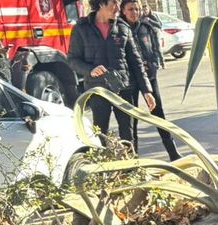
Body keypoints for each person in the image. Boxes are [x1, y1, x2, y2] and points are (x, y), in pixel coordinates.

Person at [68, 0, 156, 150]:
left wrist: (147, 91)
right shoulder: (82, 28)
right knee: (100, 134)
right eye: (114, 3)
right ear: (101, 4)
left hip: (123, 89)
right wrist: (90, 70)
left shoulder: (123, 28)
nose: (118, 8)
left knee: (128, 135)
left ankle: (131, 164)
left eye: (119, 3)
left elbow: (136, 62)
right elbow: (72, 60)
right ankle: (104, 163)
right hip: (97, 90)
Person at [122, 0, 180, 159]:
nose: (134, 12)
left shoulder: (146, 27)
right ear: (123, 11)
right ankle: (133, 159)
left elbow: (155, 50)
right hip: (130, 81)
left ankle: (173, 153)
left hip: (149, 78)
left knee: (159, 114)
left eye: (137, 9)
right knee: (131, 120)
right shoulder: (119, 29)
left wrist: (152, 64)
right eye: (130, 9)